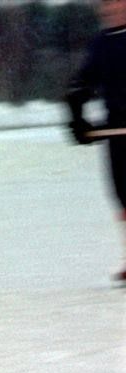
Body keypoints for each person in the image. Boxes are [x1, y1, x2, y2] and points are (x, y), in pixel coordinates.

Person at [66, 0, 126, 282]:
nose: (112, 8)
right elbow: (81, 85)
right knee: (123, 197)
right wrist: (76, 116)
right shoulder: (101, 45)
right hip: (116, 132)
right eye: (107, 3)